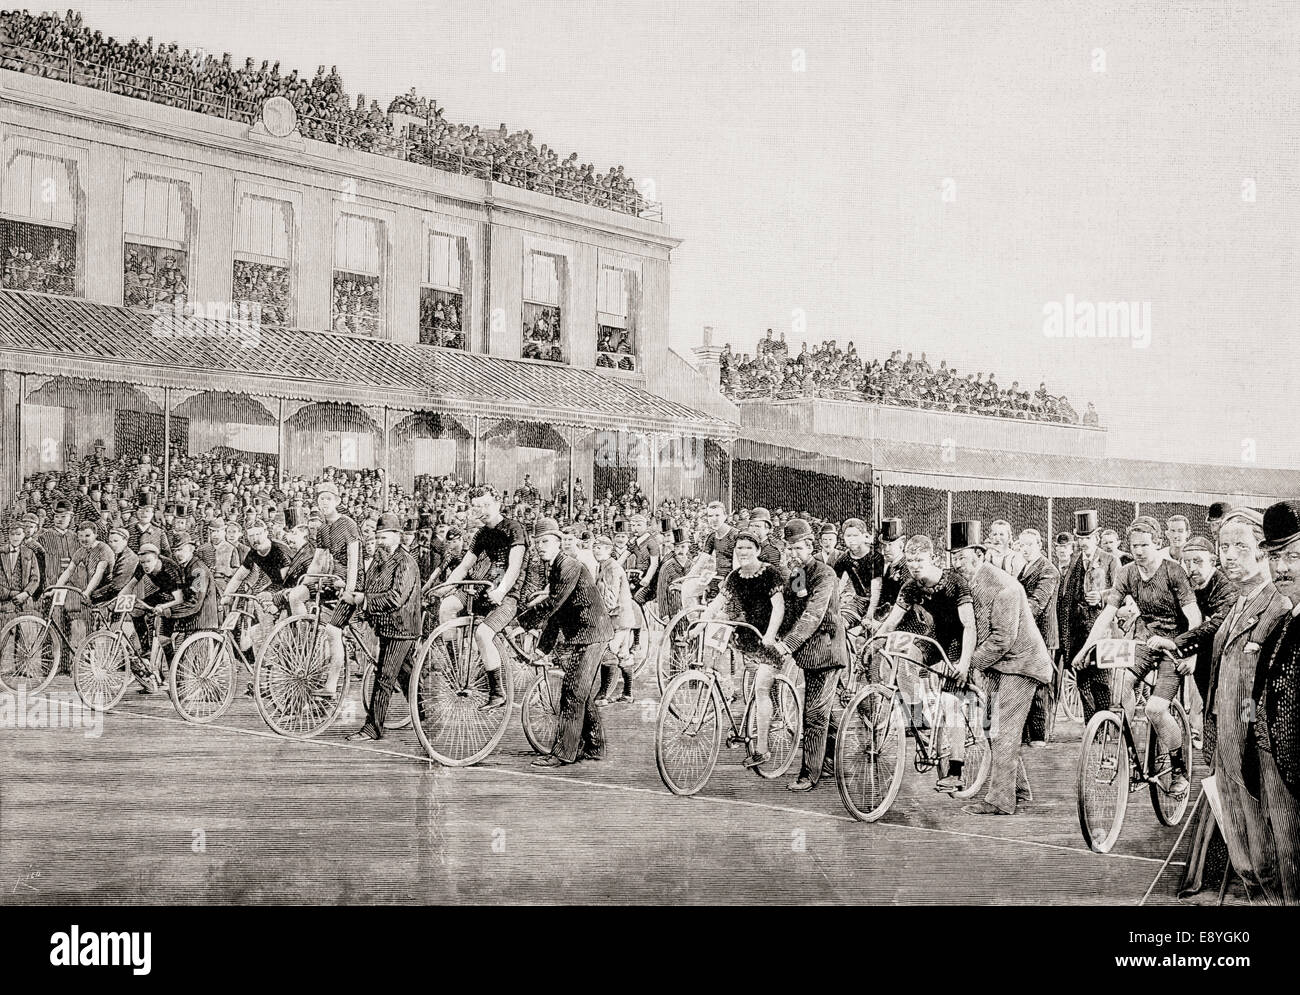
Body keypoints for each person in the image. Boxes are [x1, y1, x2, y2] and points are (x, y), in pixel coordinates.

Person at [1076, 516, 1202, 794]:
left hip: (1174, 646)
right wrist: (1086, 647)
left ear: (1158, 544)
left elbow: (1194, 618)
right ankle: (1125, 751)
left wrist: (1190, 654)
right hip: (1144, 642)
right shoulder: (1127, 573)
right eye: (1135, 546)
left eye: (1145, 545)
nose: (1139, 551)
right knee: (1120, 688)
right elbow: (1107, 614)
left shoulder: (1174, 572)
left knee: (1155, 709)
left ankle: (1178, 767)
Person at [1205, 509, 1291, 903]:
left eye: (1241, 546)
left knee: (1271, 855)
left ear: (1262, 551)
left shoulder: (1278, 605)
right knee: (1244, 856)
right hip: (1227, 746)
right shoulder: (1237, 605)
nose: (1229, 556)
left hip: (1260, 753)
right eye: (1224, 547)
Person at [947, 521, 1053, 816]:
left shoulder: (1003, 586)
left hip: (1021, 665)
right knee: (989, 726)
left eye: (961, 556)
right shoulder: (969, 583)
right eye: (953, 557)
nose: (957, 563)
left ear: (979, 555)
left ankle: (999, 800)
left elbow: (1001, 640)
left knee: (1003, 731)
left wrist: (969, 664)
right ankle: (1018, 789)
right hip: (1000, 665)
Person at [878, 533, 977, 791]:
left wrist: (963, 664)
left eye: (920, 560)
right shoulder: (910, 585)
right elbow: (891, 621)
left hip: (958, 641)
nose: (914, 565)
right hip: (933, 638)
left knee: (950, 702)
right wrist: (875, 641)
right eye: (910, 561)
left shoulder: (956, 583)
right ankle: (920, 722)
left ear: (932, 558)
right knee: (904, 657)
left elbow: (969, 626)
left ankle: (957, 770)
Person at [519, 518, 613, 768]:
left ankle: (562, 753)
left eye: (546, 541)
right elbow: (557, 614)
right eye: (537, 543)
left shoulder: (569, 565)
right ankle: (595, 746)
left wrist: (522, 623)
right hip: (584, 633)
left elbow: (553, 605)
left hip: (592, 633)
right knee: (581, 693)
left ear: (559, 543)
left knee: (572, 691)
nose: (540, 546)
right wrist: (542, 648)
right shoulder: (556, 567)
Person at [693, 531, 786, 766]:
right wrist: (700, 624)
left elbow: (778, 608)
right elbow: (717, 603)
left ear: (757, 550)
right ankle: (723, 686)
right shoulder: (735, 576)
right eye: (739, 548)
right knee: (717, 640)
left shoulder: (770, 574)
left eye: (747, 548)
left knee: (761, 689)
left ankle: (762, 749)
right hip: (746, 633)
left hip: (768, 639)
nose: (743, 552)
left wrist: (770, 636)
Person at [435, 487, 528, 711]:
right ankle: (456, 667)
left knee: (482, 633)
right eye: (477, 506)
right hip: (486, 588)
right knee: (446, 608)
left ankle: (497, 692)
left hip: (509, 594)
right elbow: (465, 565)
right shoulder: (481, 533)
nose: (482, 511)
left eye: (486, 505)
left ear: (498, 503)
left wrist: (502, 591)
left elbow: (514, 567)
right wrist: (447, 586)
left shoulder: (514, 528)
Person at [776, 518, 849, 791]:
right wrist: (773, 635)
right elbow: (791, 609)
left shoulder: (825, 574)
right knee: (825, 711)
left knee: (815, 713)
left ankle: (810, 773)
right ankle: (829, 761)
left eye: (797, 548)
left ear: (810, 545)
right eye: (790, 549)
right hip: (810, 651)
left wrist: (788, 643)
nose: (793, 554)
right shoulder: (798, 574)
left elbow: (813, 614)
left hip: (827, 649)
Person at [1252, 500, 1300, 903]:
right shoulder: (1285, 619)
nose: (1282, 568)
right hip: (1275, 764)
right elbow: (1261, 693)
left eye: (1294, 556)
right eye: (1275, 556)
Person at [347, 513, 422, 742]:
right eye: (378, 537)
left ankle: (373, 728)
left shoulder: (406, 562)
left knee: (384, 677)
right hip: (388, 627)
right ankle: (423, 712)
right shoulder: (380, 561)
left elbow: (396, 598)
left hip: (402, 628)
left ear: (398, 536)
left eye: (385, 537)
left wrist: (365, 601)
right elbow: (368, 587)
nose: (380, 541)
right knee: (405, 673)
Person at [286, 481, 361, 699]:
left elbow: (354, 559)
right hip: (330, 579)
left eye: (328, 498)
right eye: (321, 499)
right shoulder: (322, 528)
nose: (324, 502)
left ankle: (330, 685)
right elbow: (318, 561)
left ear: (337, 501)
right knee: (296, 595)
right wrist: (304, 582)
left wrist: (350, 589)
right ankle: (306, 639)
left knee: (332, 631)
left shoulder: (347, 524)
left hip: (349, 581)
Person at [1170, 535, 1235, 751]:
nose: (1191, 568)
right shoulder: (1186, 585)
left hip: (1225, 664)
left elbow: (1215, 625)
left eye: (1197, 561)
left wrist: (1180, 646)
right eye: (1186, 562)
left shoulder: (1226, 588)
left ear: (1213, 561)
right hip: (1199, 660)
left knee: (1224, 714)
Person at [1059, 509, 1121, 721]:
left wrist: (1102, 597)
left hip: (1102, 630)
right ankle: (1091, 726)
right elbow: (1066, 598)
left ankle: (1104, 724)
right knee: (1082, 681)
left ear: (1096, 537)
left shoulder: (1110, 560)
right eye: (1080, 538)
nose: (1084, 542)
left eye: (1088, 537)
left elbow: (1122, 591)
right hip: (1079, 632)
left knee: (1102, 680)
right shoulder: (1075, 562)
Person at [1016, 528, 1060, 746]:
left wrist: (1011, 614)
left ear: (1040, 545)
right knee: (1026, 681)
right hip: (1026, 634)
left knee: (1041, 684)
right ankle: (1027, 733)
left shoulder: (1048, 570)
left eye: (1029, 545)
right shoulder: (1023, 569)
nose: (1025, 549)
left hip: (1043, 635)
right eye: (1021, 545)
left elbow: (1038, 603)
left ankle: (1039, 735)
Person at [592, 532, 636, 705]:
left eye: (600, 548)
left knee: (608, 653)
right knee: (624, 655)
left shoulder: (611, 567)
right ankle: (627, 694)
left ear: (609, 550)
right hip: (621, 618)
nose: (596, 551)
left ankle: (603, 695)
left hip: (618, 618)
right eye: (595, 547)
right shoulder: (604, 565)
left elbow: (610, 598)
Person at [830, 518, 880, 631]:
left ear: (864, 536)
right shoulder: (843, 559)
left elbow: (876, 591)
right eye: (848, 536)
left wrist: (869, 615)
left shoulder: (875, 558)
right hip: (859, 601)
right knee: (839, 626)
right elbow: (836, 586)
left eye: (855, 535)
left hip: (880, 604)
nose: (852, 540)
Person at [0, 521, 40, 627]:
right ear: (8, 535)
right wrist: (9, 593)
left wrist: (26, 594)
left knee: (27, 637)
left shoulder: (29, 553)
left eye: (18, 534)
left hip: (25, 602)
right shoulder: (1, 552)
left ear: (23, 535)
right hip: (5, 603)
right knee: (6, 636)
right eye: (12, 534)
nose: (15, 537)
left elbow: (35, 578)